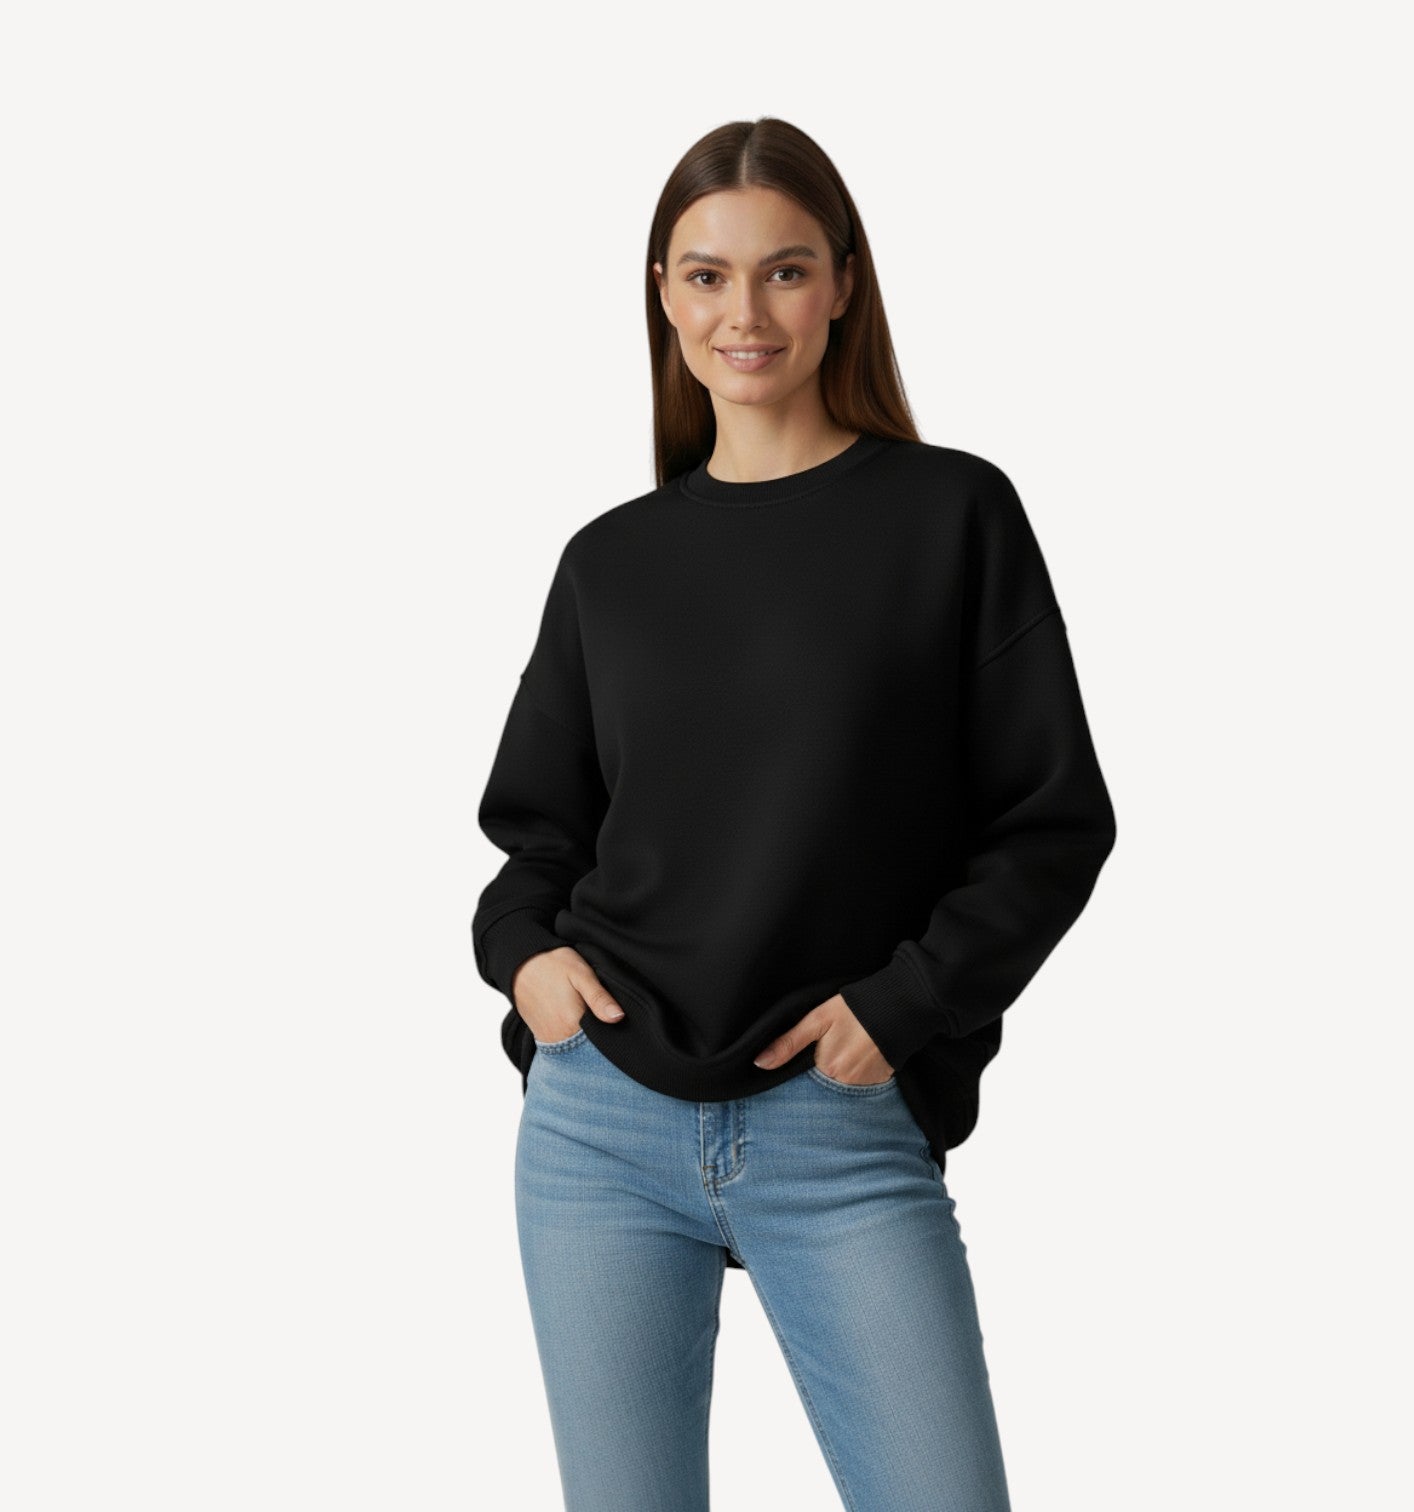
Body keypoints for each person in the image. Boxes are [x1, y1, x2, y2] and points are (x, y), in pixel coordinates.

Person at [470, 116, 1116, 1512]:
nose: (744, 313)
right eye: (706, 275)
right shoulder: (611, 562)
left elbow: (1053, 821)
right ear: (664, 294)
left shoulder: (953, 516)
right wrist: (528, 964)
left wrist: (908, 1004)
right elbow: (536, 843)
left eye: (784, 270)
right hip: (598, 1127)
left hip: (837, 1120)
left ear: (842, 285)